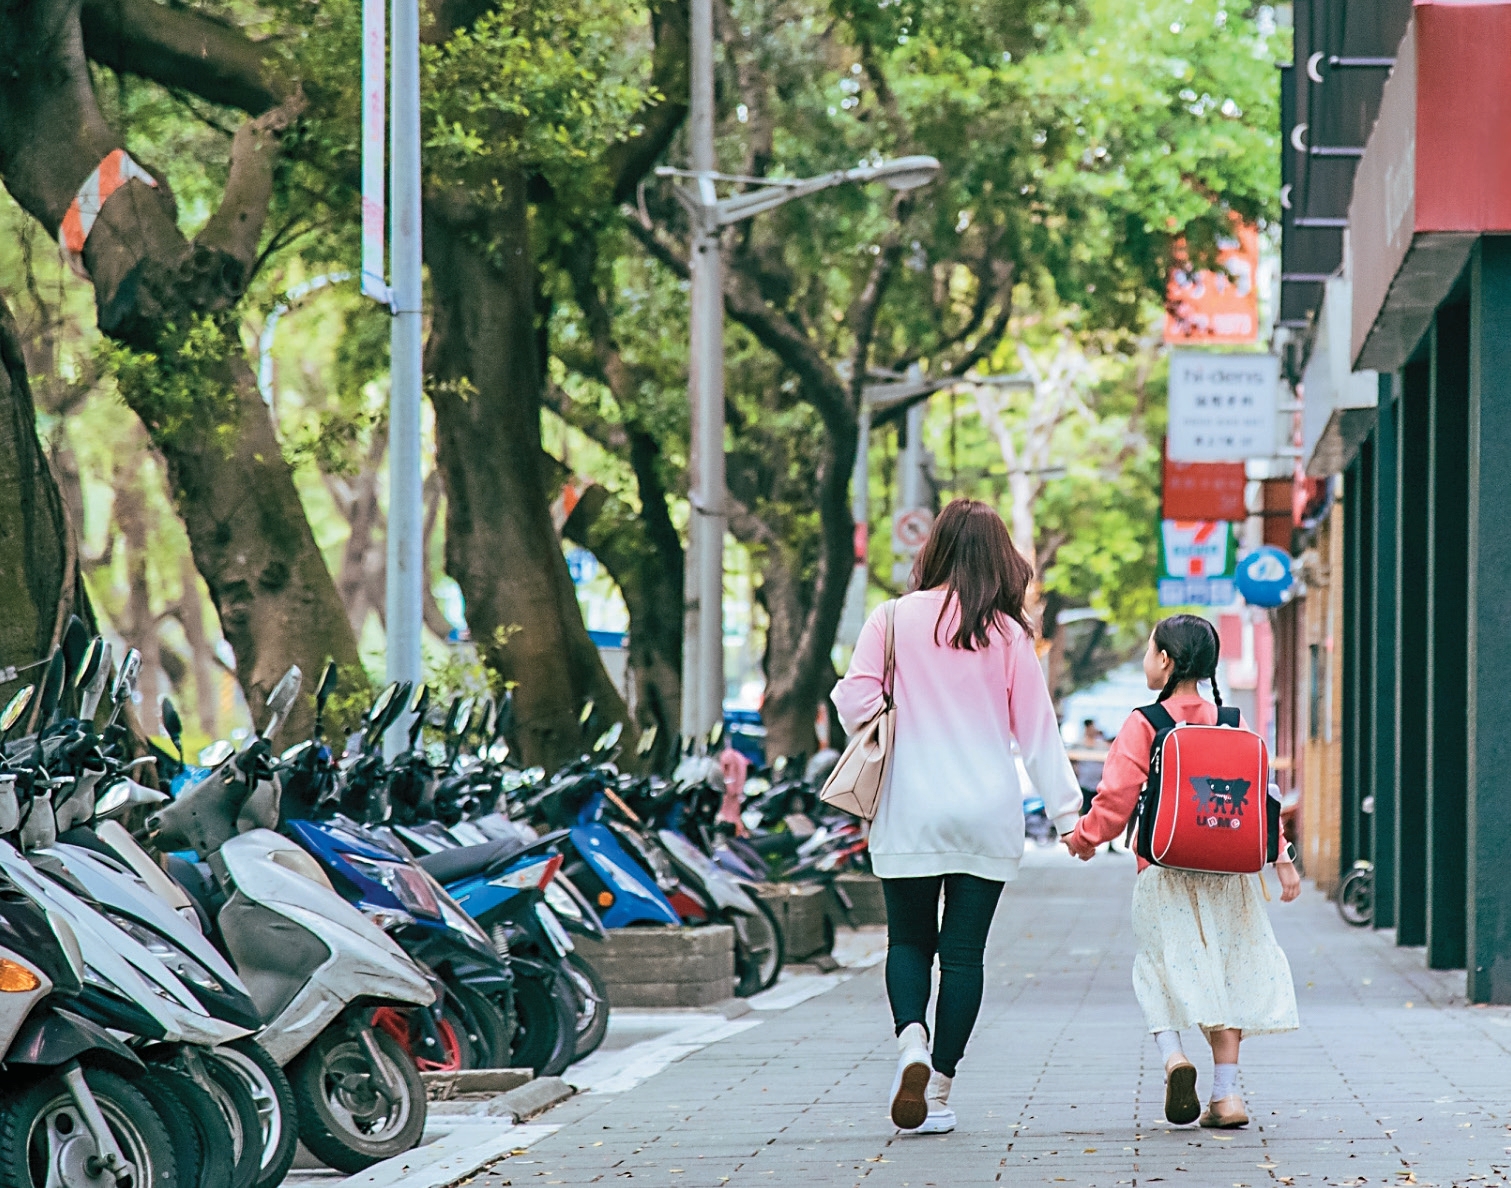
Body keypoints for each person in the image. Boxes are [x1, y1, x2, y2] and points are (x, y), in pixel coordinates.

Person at [831, 499, 1082, 1136]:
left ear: (935, 548)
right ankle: (939, 1089)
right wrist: (1068, 815)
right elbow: (1039, 732)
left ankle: (911, 1042)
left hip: (909, 808)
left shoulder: (891, 619)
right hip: (986, 813)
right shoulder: (1010, 634)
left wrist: (897, 704)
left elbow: (853, 702)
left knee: (907, 941)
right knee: (964, 956)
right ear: (999, 557)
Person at [1063, 614, 1301, 1129]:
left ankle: (1174, 1058)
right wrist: (1282, 859)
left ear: (1166, 660)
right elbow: (1263, 798)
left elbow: (1115, 800)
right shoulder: (1232, 722)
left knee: (1158, 967)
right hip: (1229, 877)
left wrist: (1083, 839)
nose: (1147, 661)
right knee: (1226, 974)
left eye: (1150, 651)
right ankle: (1227, 1096)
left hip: (1164, 871)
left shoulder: (1145, 722)